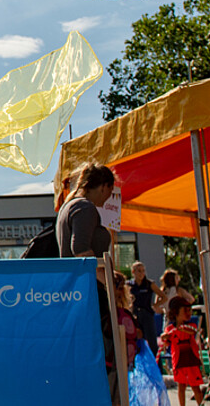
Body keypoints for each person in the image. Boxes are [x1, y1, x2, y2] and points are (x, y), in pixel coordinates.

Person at [57, 162, 118, 402]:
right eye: (111, 191)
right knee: (98, 359)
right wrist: (108, 282)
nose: (110, 197)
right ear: (104, 186)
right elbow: (81, 250)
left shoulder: (68, 206)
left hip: (75, 295)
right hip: (88, 295)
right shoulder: (85, 207)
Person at [161, 296, 204, 406]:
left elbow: (192, 332)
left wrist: (180, 329)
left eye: (189, 310)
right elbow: (166, 343)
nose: (188, 313)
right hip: (179, 362)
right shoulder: (170, 329)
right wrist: (165, 338)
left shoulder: (191, 326)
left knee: (196, 387)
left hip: (192, 362)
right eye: (185, 310)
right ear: (176, 312)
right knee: (181, 386)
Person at [129, 262, 165, 356]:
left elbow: (163, 296)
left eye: (143, 271)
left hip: (147, 314)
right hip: (135, 314)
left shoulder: (149, 284)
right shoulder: (130, 285)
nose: (141, 273)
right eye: (139, 271)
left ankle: (157, 366)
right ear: (133, 272)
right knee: (136, 339)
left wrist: (155, 305)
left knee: (152, 341)